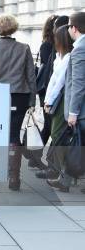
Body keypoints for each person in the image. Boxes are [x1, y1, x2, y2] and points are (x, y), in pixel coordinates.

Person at [0, 13, 36, 191]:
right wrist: (32, 100)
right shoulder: (24, 48)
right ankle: (14, 177)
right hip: (20, 96)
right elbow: (31, 77)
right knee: (14, 136)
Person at [49, 12, 85, 193]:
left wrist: (73, 112)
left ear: (74, 28)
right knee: (77, 144)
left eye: (70, 26)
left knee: (76, 143)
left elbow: (78, 84)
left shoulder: (79, 49)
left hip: (81, 110)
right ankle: (65, 180)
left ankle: (65, 180)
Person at [40, 25, 73, 189]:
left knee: (58, 135)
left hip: (60, 101)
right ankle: (59, 170)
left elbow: (59, 82)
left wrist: (49, 101)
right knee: (56, 135)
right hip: (54, 99)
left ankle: (64, 173)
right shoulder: (59, 57)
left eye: (56, 37)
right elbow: (53, 80)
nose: (53, 40)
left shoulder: (68, 58)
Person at [29, 14, 58, 170]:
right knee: (48, 124)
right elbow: (49, 67)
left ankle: (35, 157)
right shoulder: (47, 45)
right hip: (46, 89)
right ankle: (36, 156)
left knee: (49, 125)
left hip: (49, 88)